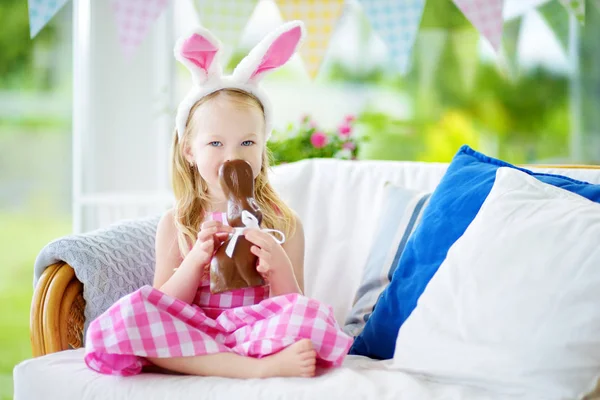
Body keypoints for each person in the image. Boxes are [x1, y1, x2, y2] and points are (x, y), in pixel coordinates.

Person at [83, 20, 353, 379]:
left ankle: (251, 360)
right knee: (128, 317)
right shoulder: (178, 222)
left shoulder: (282, 223)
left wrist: (279, 270)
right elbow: (165, 305)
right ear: (189, 151)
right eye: (215, 143)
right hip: (195, 332)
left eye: (247, 143)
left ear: (262, 148)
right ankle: (253, 370)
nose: (232, 156)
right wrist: (195, 261)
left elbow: (292, 303)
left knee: (311, 317)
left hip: (255, 329)